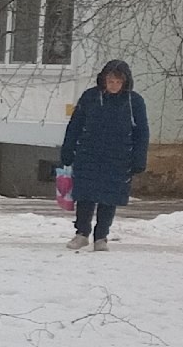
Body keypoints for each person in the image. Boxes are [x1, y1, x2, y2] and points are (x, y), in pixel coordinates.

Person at [62, 59, 148, 250]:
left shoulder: (134, 102)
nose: (114, 85)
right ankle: (82, 233)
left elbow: (142, 133)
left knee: (109, 198)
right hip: (88, 155)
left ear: (125, 82)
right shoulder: (90, 98)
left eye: (118, 82)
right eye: (111, 81)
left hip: (118, 158)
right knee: (85, 196)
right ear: (103, 80)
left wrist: (139, 159)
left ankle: (101, 237)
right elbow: (74, 125)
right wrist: (67, 150)